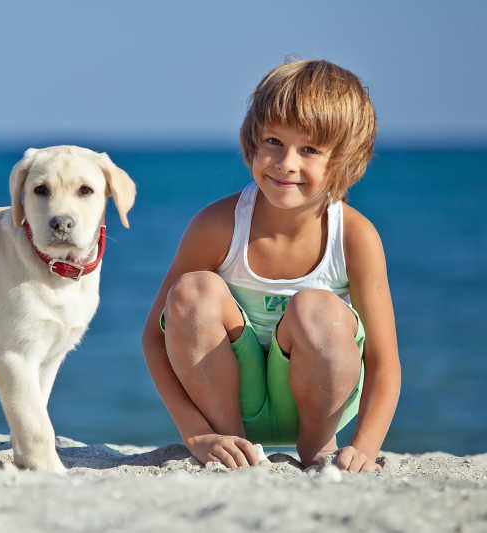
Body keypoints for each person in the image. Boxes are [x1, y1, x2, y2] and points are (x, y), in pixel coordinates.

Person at [141, 59, 401, 472]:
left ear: (346, 160)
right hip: (228, 407)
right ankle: (235, 447)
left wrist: (365, 447)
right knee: (193, 291)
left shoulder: (354, 236)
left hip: (318, 406)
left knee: (317, 309)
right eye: (274, 141)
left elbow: (384, 361)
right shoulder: (217, 224)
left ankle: (317, 448)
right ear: (252, 140)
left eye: (310, 149)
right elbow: (155, 338)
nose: (286, 163)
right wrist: (197, 434)